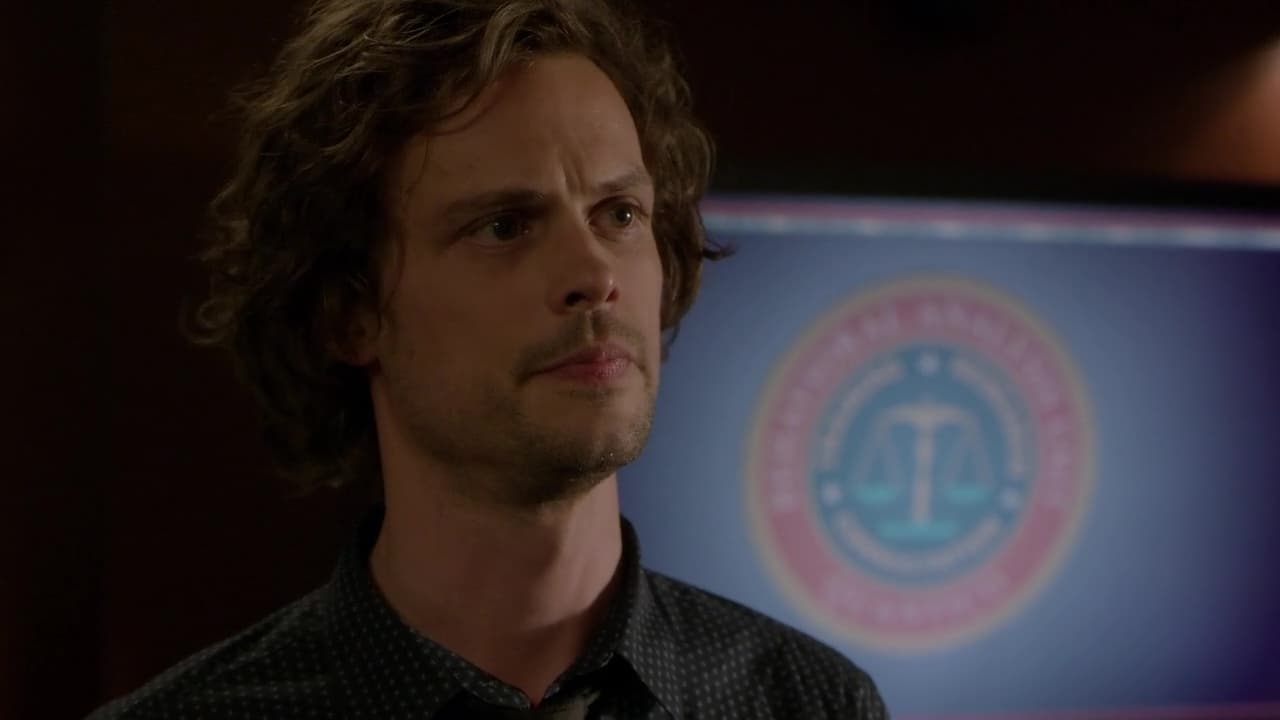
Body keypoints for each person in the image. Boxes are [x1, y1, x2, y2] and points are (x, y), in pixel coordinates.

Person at [91, 0, 888, 717]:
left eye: (619, 214)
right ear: (350, 314)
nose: (593, 275)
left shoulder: (809, 702)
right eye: (504, 226)